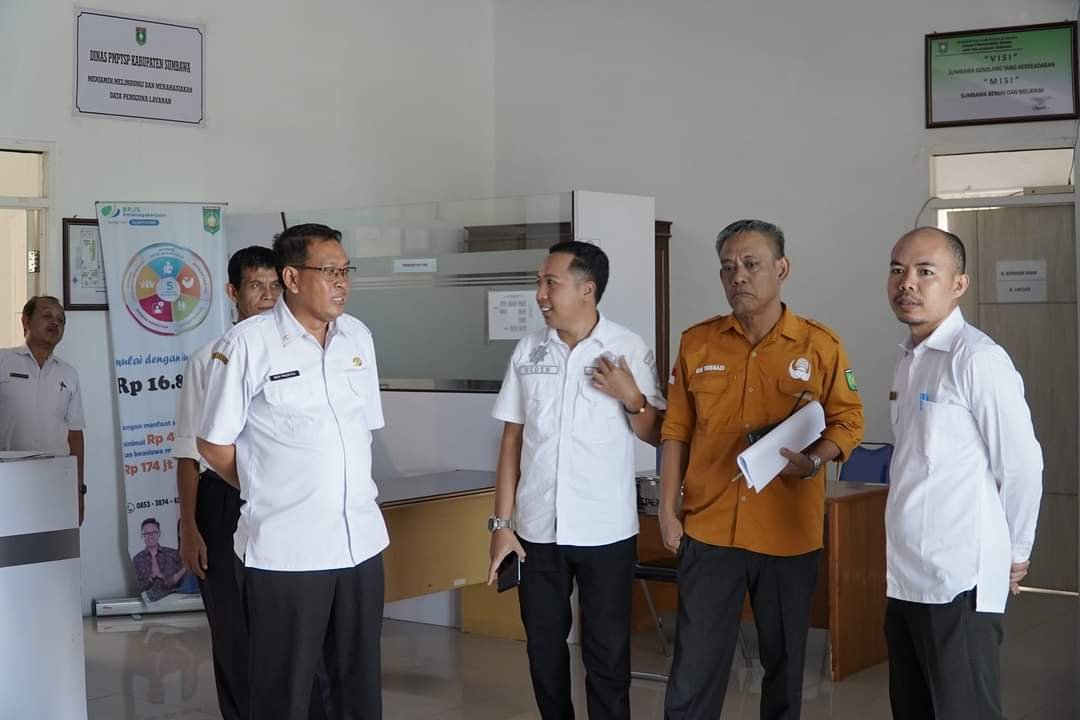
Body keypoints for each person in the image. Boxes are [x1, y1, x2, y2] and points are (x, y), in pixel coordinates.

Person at [660, 219, 864, 720]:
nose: (738, 276)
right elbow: (676, 431)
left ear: (782, 268)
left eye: (751, 264)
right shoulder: (696, 343)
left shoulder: (820, 345)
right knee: (694, 668)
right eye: (727, 268)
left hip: (787, 535)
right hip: (710, 529)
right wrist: (667, 512)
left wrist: (814, 460)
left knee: (785, 667)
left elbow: (849, 420)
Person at [198, 223, 386, 720]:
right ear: (293, 278)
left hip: (360, 543)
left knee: (358, 691)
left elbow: (364, 429)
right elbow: (213, 443)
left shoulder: (358, 337)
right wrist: (264, 487)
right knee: (285, 693)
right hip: (287, 551)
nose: (342, 282)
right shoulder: (248, 344)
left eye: (346, 271)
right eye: (329, 271)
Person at [487, 240, 665, 720]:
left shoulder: (627, 347)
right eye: (539, 283)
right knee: (543, 650)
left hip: (605, 530)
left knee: (607, 654)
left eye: (551, 283)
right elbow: (512, 439)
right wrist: (501, 525)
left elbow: (656, 434)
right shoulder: (529, 350)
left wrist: (632, 397)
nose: (540, 294)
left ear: (587, 289)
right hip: (537, 530)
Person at [884, 227, 1043, 720]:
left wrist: (1015, 553)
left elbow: (1021, 464)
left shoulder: (977, 359)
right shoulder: (909, 359)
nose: (907, 283)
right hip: (906, 577)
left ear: (958, 284)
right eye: (898, 270)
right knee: (912, 708)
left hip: (959, 582)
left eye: (925, 272)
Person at [172, 245, 280, 720]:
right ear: (234, 292)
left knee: (282, 622)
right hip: (223, 498)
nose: (267, 296)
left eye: (275, 286)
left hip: (280, 498)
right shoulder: (208, 360)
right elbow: (188, 455)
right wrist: (190, 528)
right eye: (256, 286)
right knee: (232, 627)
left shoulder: (300, 353)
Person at [0, 295, 87, 524]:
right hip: (7, 478)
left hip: (56, 480)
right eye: (47, 315)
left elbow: (75, 435)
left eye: (61, 319)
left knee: (56, 544)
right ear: (26, 321)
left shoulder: (69, 374)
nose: (55, 322)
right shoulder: (3, 361)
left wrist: (78, 491)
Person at [133, 517, 187, 602]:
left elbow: (179, 581)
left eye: (154, 532)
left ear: (159, 534)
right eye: (146, 533)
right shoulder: (137, 559)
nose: (150, 536)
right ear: (142, 536)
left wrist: (162, 576)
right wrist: (151, 578)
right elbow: (141, 586)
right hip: (149, 603)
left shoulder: (173, 554)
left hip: (176, 601)